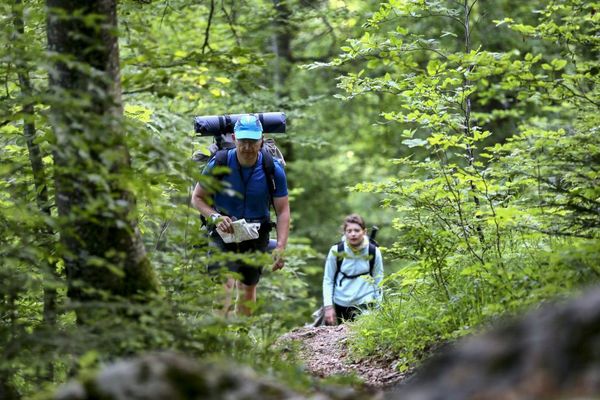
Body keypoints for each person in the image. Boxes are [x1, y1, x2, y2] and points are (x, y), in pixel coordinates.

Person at [191, 114, 290, 316]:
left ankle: (242, 337)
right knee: (223, 283)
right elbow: (197, 198)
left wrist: (280, 247)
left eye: (252, 141)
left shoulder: (272, 169)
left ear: (261, 140)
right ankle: (217, 338)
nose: (247, 147)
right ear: (234, 138)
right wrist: (215, 217)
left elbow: (283, 211)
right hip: (223, 231)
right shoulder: (219, 163)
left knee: (248, 287)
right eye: (243, 141)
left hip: (256, 233)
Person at [322, 214, 383, 325]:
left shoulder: (373, 251)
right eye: (349, 231)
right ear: (344, 233)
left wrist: (379, 308)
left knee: (364, 336)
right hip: (341, 302)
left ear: (364, 232)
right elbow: (328, 280)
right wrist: (328, 307)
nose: (353, 234)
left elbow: (379, 280)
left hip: (366, 301)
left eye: (356, 230)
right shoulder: (336, 251)